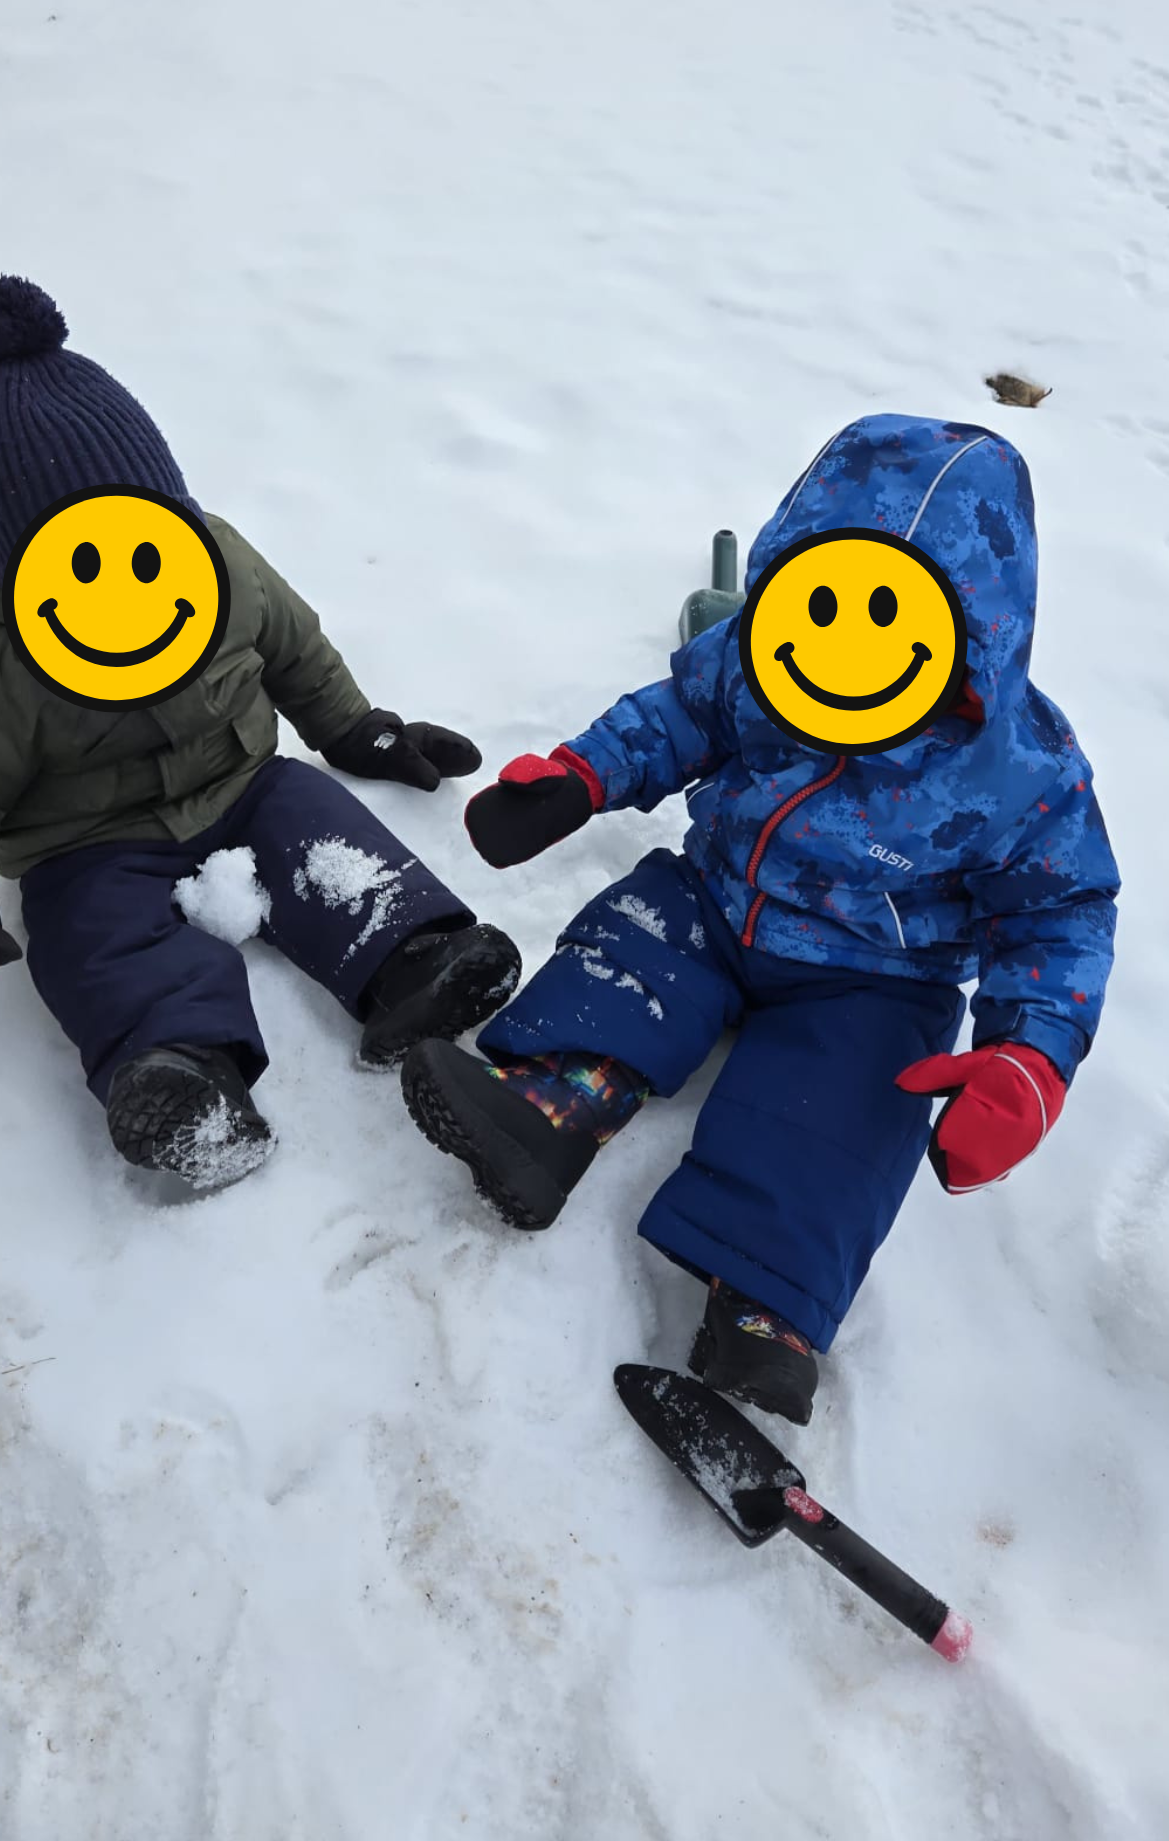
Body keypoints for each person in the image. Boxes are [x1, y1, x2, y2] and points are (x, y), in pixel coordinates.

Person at [400, 415, 1119, 1423]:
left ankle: (763, 1307)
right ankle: (550, 1105)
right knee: (638, 936)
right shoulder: (752, 654)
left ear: (972, 633)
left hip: (876, 975)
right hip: (721, 894)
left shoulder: (1020, 768)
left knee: (852, 1102)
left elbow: (1065, 912)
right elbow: (677, 716)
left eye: (886, 617)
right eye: (821, 599)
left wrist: (1029, 1057)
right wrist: (580, 774)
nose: (843, 644)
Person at [0, 275, 518, 1186]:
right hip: (89, 842)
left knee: (314, 818)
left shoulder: (214, 560)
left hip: (242, 785)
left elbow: (295, 648)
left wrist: (358, 732)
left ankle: (412, 955)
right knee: (92, 931)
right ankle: (180, 1074)